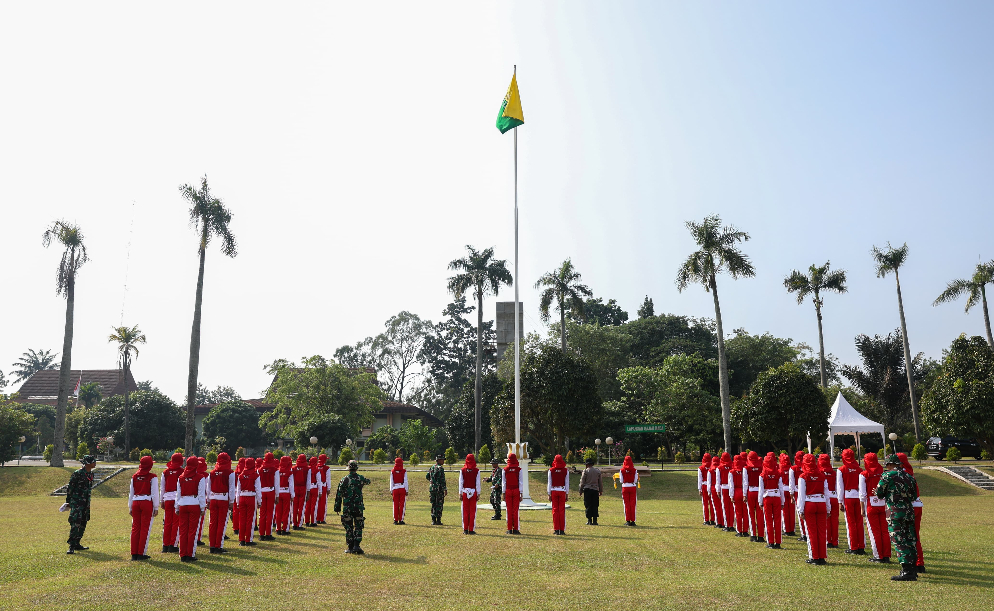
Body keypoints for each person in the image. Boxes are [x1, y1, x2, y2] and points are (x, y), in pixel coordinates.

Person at [876, 455, 920, 581]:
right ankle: (912, 568)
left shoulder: (887, 476)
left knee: (899, 540)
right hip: (908, 511)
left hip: (895, 512)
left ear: (890, 464)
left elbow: (879, 493)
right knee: (910, 539)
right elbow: (913, 496)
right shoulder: (909, 476)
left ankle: (906, 571)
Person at [796, 454, 830, 565]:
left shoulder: (803, 476)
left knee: (811, 532)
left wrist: (800, 510)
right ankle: (822, 557)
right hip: (821, 503)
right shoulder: (822, 476)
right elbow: (826, 493)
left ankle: (814, 557)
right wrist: (828, 508)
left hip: (809, 504)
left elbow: (801, 495)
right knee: (821, 531)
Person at [126, 455, 160, 561]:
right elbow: (154, 493)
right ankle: (141, 553)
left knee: (135, 528)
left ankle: (134, 553)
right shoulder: (152, 477)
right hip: (146, 502)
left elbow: (131, 493)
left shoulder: (134, 476)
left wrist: (130, 507)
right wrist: (156, 506)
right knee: (145, 528)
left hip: (136, 502)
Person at [334, 460, 371, 554]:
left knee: (348, 526)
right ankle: (356, 545)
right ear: (356, 468)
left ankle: (350, 547)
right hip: (358, 506)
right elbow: (368, 481)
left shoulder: (344, 479)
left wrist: (337, 507)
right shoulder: (360, 478)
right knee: (358, 525)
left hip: (347, 507)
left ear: (349, 468)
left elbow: (339, 494)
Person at [62, 455, 97, 554]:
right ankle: (71, 545)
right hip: (77, 502)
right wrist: (68, 502)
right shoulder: (77, 473)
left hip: (86, 503)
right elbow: (70, 488)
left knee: (83, 522)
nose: (95, 463)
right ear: (87, 463)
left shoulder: (91, 474)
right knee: (75, 522)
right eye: (93, 462)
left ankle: (77, 543)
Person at [175, 455, 207, 562]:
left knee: (183, 531)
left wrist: (177, 506)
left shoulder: (181, 477)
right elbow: (201, 495)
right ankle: (190, 554)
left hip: (183, 504)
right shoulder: (200, 477)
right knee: (192, 531)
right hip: (194, 504)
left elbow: (178, 494)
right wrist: (202, 507)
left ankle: (183, 554)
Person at [860, 452, 890, 563]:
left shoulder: (864, 474)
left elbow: (862, 494)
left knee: (874, 531)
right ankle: (886, 555)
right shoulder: (883, 473)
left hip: (870, 504)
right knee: (885, 531)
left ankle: (878, 556)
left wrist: (862, 508)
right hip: (883, 504)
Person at [897, 453, 925, 572]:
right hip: (917, 505)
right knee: (915, 536)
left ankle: (915, 563)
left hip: (909, 506)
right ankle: (918, 562)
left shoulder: (902, 474)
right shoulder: (909, 470)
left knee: (908, 536)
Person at [836, 448, 866, 555]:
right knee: (859, 522)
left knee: (850, 523)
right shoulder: (860, 470)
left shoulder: (841, 470)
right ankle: (861, 547)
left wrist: (840, 501)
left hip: (848, 497)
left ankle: (853, 547)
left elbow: (840, 487)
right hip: (858, 496)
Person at [207, 452, 235, 553]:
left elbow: (208, 488)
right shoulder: (230, 472)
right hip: (223, 499)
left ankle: (212, 546)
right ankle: (218, 546)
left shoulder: (212, 472)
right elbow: (231, 488)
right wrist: (231, 501)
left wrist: (208, 500)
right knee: (221, 524)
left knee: (213, 523)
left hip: (213, 498)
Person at [159, 452, 184, 553]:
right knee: (176, 523)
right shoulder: (182, 471)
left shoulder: (166, 472)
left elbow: (162, 487)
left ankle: (165, 545)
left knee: (167, 523)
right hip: (177, 498)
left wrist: (162, 500)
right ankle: (172, 545)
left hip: (167, 498)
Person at [758, 452, 783, 549]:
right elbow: (780, 488)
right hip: (777, 497)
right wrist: (783, 501)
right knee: (777, 520)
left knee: (768, 520)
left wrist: (760, 502)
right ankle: (778, 542)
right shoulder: (778, 473)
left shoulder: (762, 475)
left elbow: (761, 490)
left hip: (767, 497)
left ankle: (771, 542)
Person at [235, 457, 261, 546]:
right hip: (251, 497)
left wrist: (237, 502)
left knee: (242, 519)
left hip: (242, 497)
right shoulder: (255, 475)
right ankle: (248, 540)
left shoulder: (241, 475)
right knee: (250, 519)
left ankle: (241, 539)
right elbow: (258, 489)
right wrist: (259, 501)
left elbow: (238, 490)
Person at [818, 454, 839, 549]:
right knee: (834, 521)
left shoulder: (819, 472)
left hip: (824, 498)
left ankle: (828, 541)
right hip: (834, 497)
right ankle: (835, 541)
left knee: (825, 521)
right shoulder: (834, 473)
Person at [256, 452, 278, 541]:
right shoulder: (275, 470)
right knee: (270, 514)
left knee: (262, 514)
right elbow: (277, 484)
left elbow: (257, 484)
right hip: (270, 491)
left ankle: (261, 534)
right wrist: (277, 495)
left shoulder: (259, 470)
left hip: (261, 491)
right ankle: (268, 534)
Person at [503, 452, 526, 534]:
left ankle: (509, 529)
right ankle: (516, 529)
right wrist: (521, 493)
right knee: (515, 510)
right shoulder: (519, 470)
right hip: (516, 490)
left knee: (509, 510)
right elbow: (521, 482)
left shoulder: (505, 469)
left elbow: (504, 482)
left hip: (508, 490)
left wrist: (503, 493)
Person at [744, 451, 764, 542]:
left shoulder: (746, 468)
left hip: (751, 491)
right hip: (760, 491)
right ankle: (761, 536)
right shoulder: (761, 466)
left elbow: (745, 482)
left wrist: (744, 494)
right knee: (760, 514)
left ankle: (753, 535)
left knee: (751, 514)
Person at [459, 454, 482, 534]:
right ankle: (471, 529)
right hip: (473, 492)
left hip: (465, 491)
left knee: (465, 511)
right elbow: (478, 483)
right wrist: (478, 493)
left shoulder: (462, 470)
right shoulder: (476, 471)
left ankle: (465, 529)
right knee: (472, 511)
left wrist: (460, 493)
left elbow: (461, 482)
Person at [547, 454, 570, 535]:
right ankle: (562, 529)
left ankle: (556, 529)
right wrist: (567, 493)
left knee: (555, 510)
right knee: (562, 510)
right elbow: (567, 483)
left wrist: (549, 493)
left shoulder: (551, 470)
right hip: (562, 491)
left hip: (554, 490)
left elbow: (549, 483)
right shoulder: (565, 470)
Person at [578, 457, 602, 526]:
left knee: (588, 505)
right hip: (595, 490)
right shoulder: (597, 471)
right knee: (595, 505)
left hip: (587, 490)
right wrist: (600, 490)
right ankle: (595, 520)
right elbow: (600, 482)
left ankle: (589, 520)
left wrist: (580, 490)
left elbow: (582, 481)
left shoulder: (585, 471)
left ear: (587, 464)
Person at [728, 454, 748, 536]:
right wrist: (745, 494)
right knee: (745, 512)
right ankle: (746, 530)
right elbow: (745, 483)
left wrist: (731, 495)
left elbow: (731, 485)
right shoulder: (744, 470)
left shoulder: (731, 472)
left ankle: (739, 531)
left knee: (738, 513)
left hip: (736, 492)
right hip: (743, 491)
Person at [275, 455, 295, 535]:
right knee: (286, 512)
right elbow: (291, 485)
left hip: (278, 493)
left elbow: (275, 483)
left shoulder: (277, 471)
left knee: (278, 512)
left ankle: (278, 528)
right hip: (286, 492)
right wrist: (292, 495)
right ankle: (285, 529)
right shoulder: (289, 472)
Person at [426, 454, 447, 525]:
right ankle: (438, 520)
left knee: (433, 504)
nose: (443, 461)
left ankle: (433, 520)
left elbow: (427, 476)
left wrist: (432, 481)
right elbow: (442, 480)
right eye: (442, 459)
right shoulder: (440, 468)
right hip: (439, 489)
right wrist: (445, 489)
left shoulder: (432, 467)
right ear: (439, 460)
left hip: (432, 489)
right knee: (439, 504)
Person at [618, 455, 639, 526]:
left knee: (626, 504)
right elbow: (636, 480)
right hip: (632, 486)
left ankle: (627, 520)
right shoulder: (634, 470)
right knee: (633, 504)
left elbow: (621, 480)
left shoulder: (622, 470)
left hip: (625, 487)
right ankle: (633, 521)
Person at [779, 453, 796, 537]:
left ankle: (786, 529)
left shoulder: (779, 470)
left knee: (784, 511)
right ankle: (792, 529)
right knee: (792, 511)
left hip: (783, 490)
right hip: (791, 490)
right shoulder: (791, 468)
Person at [792, 451, 808, 541]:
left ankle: (804, 534)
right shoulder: (812, 468)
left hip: (798, 491)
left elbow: (791, 482)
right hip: (809, 493)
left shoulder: (793, 468)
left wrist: (791, 494)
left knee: (800, 513)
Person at [290, 454, 309, 530]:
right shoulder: (307, 469)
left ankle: (294, 523)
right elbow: (308, 481)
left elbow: (291, 481)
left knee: (294, 507)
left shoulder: (293, 468)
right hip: (303, 488)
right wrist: (308, 492)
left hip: (295, 488)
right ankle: (299, 524)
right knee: (301, 507)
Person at [717, 452, 734, 531]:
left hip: (724, 487)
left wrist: (718, 490)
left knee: (725, 507)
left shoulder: (720, 468)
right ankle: (732, 524)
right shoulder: (732, 466)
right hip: (732, 488)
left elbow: (718, 480)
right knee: (732, 507)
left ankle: (727, 525)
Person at [389, 457, 409, 525]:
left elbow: (391, 481)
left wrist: (391, 490)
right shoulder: (404, 471)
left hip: (395, 488)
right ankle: (401, 520)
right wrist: (406, 490)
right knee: (402, 505)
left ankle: (395, 520)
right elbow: (405, 481)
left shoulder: (392, 471)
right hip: (402, 487)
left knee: (395, 504)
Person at [304, 456, 321, 527]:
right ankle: (313, 521)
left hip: (307, 488)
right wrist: (320, 492)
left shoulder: (307, 469)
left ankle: (307, 521)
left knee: (307, 505)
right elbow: (319, 482)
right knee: (313, 505)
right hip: (314, 488)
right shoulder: (316, 470)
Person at [195, 457, 209, 545]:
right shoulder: (205, 475)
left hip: (188, 499)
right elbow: (207, 489)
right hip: (201, 498)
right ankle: (198, 538)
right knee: (200, 520)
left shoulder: (189, 473)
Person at [697, 453, 714, 525]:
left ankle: (706, 520)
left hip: (704, 485)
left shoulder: (701, 468)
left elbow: (699, 479)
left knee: (705, 504)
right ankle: (713, 519)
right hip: (712, 485)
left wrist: (699, 489)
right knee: (712, 503)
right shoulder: (712, 467)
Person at [709, 455, 725, 530]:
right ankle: (724, 522)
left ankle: (718, 522)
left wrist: (709, 491)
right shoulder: (721, 468)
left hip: (713, 487)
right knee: (722, 506)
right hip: (722, 487)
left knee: (716, 506)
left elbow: (709, 481)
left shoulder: (711, 470)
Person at [231, 457, 245, 536]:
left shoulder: (235, 472)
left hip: (235, 493)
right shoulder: (245, 472)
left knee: (235, 511)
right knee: (242, 512)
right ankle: (241, 527)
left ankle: (235, 528)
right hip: (242, 493)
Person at [317, 453, 331, 524]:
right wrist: (329, 488)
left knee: (317, 503)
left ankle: (316, 518)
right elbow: (328, 479)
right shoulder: (327, 468)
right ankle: (322, 519)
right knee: (323, 503)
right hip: (323, 486)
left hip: (316, 486)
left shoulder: (316, 466)